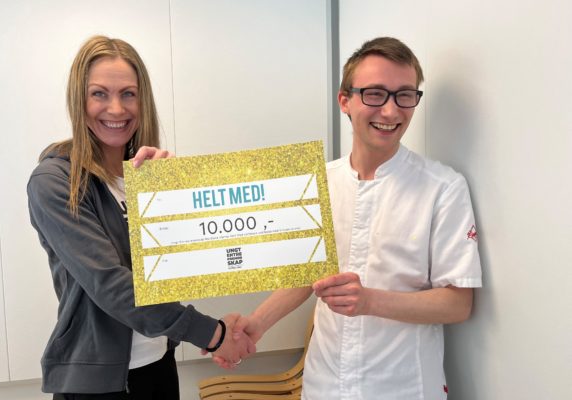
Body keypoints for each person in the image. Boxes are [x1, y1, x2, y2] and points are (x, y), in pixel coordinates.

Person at [217, 37, 483, 399]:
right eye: (375, 94)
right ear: (345, 100)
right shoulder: (319, 184)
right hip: (325, 382)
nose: (390, 111)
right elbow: (308, 274)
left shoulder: (443, 187)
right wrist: (256, 324)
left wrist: (369, 301)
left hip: (402, 387)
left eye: (405, 95)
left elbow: (457, 303)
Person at [27, 35, 254, 399]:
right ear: (78, 99)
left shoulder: (145, 176)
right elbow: (111, 285)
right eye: (99, 94)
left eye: (128, 94)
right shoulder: (55, 181)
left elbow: (174, 274)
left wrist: (176, 200)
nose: (116, 109)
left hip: (159, 365)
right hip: (98, 384)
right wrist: (213, 335)